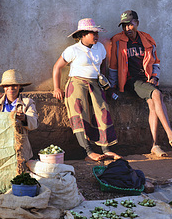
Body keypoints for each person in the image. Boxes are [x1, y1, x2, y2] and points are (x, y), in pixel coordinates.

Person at [108, 10, 172, 157]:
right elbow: (113, 66)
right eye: (124, 26)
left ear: (137, 23)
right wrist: (112, 86)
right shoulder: (117, 41)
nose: (127, 29)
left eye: (130, 25)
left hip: (147, 80)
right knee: (157, 93)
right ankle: (171, 137)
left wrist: (155, 77)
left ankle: (155, 145)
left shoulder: (147, 39)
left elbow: (156, 62)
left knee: (153, 104)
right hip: (130, 81)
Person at [52, 18, 122, 162]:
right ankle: (88, 151)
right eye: (92, 33)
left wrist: (102, 79)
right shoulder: (73, 50)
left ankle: (106, 149)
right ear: (83, 34)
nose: (96, 36)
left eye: (96, 33)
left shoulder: (100, 48)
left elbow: (103, 65)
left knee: (102, 110)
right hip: (77, 82)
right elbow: (57, 67)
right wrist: (57, 87)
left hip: (95, 83)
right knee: (79, 112)